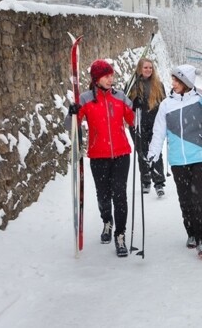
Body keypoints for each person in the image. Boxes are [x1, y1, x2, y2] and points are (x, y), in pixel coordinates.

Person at [147, 64, 202, 257]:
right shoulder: (166, 105)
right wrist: (153, 154)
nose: (173, 83)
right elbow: (158, 132)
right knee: (186, 199)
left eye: (177, 80)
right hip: (178, 160)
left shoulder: (201, 98)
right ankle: (191, 232)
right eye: (173, 80)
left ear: (186, 82)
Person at [67, 59, 135, 258]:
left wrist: (136, 108)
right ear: (96, 79)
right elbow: (70, 126)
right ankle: (107, 221)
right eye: (106, 76)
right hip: (98, 156)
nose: (110, 79)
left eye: (111, 75)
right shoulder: (85, 99)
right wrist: (72, 113)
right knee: (103, 196)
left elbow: (133, 120)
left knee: (120, 195)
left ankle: (120, 235)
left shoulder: (120, 96)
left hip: (121, 154)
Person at [128, 58, 167, 197]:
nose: (148, 70)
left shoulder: (159, 85)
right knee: (142, 153)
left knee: (156, 152)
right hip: (138, 124)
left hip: (155, 124)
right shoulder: (132, 85)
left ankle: (159, 183)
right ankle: (145, 180)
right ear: (140, 68)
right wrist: (134, 104)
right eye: (145, 67)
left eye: (150, 67)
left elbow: (164, 104)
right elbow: (125, 104)